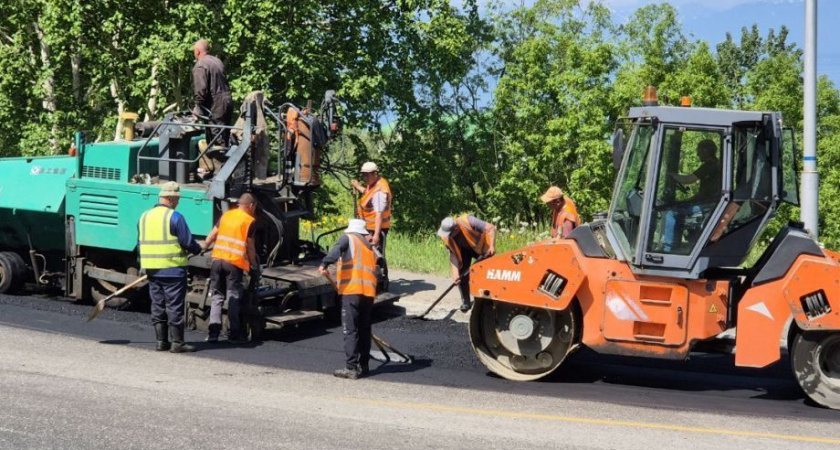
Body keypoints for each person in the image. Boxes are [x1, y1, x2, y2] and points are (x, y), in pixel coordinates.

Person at [138, 181, 204, 353]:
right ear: (169, 199)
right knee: (174, 306)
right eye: (176, 199)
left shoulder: (144, 216)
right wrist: (198, 249)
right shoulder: (174, 217)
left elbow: (140, 242)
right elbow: (187, 242)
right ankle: (178, 343)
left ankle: (161, 342)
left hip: (152, 269)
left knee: (158, 305)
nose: (178, 202)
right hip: (173, 270)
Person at [318, 219, 378, 380]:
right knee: (364, 329)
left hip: (352, 291)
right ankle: (364, 365)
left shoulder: (348, 238)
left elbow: (336, 250)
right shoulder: (369, 247)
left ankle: (351, 367)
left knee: (350, 329)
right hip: (368, 293)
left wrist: (324, 264)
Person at [202, 193, 260, 344]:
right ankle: (234, 333)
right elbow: (251, 247)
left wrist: (203, 247)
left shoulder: (226, 215)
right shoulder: (250, 221)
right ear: (251, 206)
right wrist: (253, 265)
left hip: (217, 260)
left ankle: (213, 333)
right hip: (233, 263)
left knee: (217, 296)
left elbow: (212, 235)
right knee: (233, 296)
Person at [662, 139, 721, 252]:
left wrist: (672, 175)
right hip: (708, 204)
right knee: (678, 208)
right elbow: (703, 193)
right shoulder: (716, 165)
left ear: (706, 151)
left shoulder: (709, 166)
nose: (698, 154)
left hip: (707, 206)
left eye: (699, 150)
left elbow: (688, 180)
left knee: (671, 213)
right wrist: (686, 202)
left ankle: (667, 249)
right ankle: (676, 245)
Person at [437, 215, 496, 312]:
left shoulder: (468, 220)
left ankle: (488, 301)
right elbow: (453, 255)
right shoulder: (447, 236)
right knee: (462, 276)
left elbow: (490, 228)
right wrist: (455, 274)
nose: (448, 236)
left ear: (456, 228)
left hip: (481, 248)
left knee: (486, 274)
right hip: (463, 251)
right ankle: (466, 302)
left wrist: (492, 246)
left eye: (450, 233)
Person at [351, 161, 391, 290]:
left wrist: (377, 236)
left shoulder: (380, 191)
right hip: (369, 227)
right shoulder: (373, 185)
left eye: (367, 175)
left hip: (376, 229)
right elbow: (367, 193)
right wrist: (357, 186)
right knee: (368, 254)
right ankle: (372, 281)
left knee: (375, 256)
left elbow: (378, 214)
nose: (365, 178)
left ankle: (379, 284)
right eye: (363, 175)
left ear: (375, 174)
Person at [192, 39, 233, 148]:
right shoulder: (217, 61)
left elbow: (201, 89)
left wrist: (197, 107)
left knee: (217, 139)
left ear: (197, 51)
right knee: (225, 134)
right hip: (227, 101)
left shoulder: (200, 65)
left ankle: (220, 162)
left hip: (216, 105)